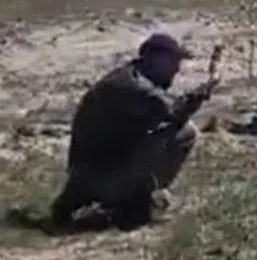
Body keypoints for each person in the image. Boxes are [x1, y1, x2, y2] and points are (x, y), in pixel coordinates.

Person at [51, 31, 216, 228]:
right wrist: (201, 94)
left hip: (87, 172)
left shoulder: (127, 77)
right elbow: (174, 112)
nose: (176, 69)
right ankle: (133, 203)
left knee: (167, 132)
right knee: (183, 133)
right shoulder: (134, 87)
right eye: (172, 61)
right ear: (154, 58)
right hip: (100, 175)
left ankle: (94, 199)